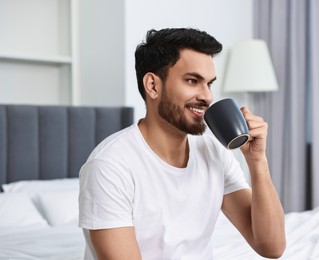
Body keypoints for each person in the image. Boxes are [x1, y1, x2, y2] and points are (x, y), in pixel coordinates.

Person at [79, 27, 286, 259]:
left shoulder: (214, 152)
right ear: (153, 86)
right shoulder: (109, 166)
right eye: (192, 81)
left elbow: (272, 247)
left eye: (209, 84)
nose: (207, 96)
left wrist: (257, 161)